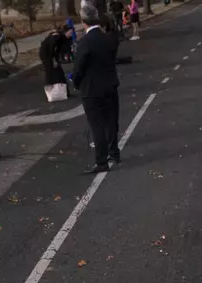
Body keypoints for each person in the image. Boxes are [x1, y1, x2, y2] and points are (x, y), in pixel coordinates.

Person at [72, 2, 121, 174]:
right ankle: (114, 153)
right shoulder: (106, 38)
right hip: (110, 85)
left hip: (92, 90)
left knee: (97, 126)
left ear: (83, 21)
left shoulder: (85, 42)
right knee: (111, 122)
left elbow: (79, 67)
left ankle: (101, 161)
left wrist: (76, 82)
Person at [39, 26, 73, 98]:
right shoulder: (56, 37)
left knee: (58, 71)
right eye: (70, 33)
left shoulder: (64, 38)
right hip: (47, 54)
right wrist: (54, 60)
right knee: (50, 71)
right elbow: (52, 47)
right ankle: (51, 93)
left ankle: (64, 92)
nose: (71, 34)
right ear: (65, 32)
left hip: (51, 54)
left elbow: (62, 49)